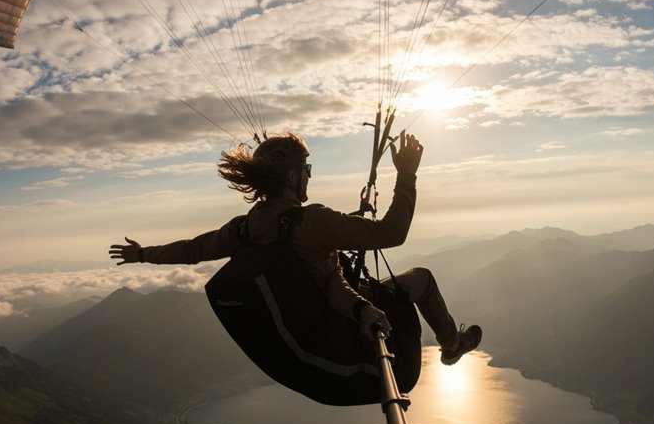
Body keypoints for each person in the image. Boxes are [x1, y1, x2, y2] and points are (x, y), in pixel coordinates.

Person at [108, 131, 481, 365]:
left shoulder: (247, 226)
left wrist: (143, 254)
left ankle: (451, 343)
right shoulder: (312, 221)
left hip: (304, 329)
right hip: (338, 314)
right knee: (422, 279)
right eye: (307, 168)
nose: (309, 175)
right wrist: (407, 175)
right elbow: (391, 232)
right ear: (292, 176)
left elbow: (193, 249)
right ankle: (451, 344)